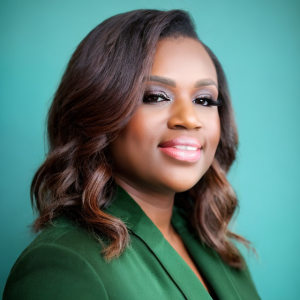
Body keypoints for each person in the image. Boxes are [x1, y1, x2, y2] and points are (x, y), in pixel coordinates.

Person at [3, 9, 261, 300]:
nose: (189, 119)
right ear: (99, 111)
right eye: (155, 96)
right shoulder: (62, 265)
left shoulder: (218, 247)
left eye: (204, 100)